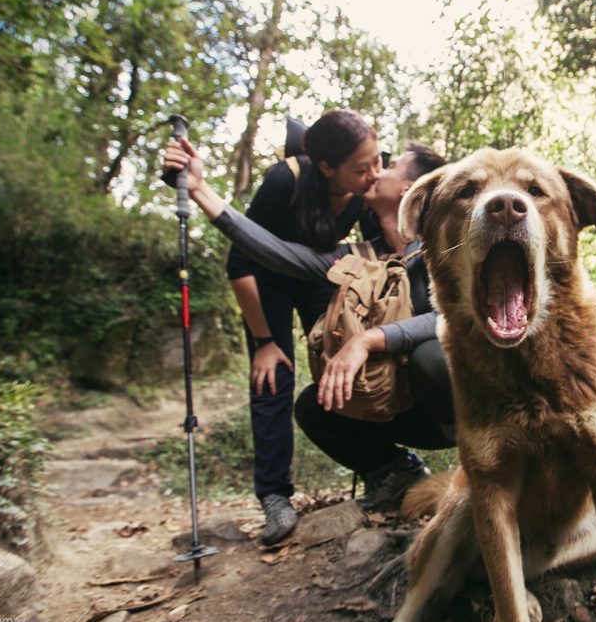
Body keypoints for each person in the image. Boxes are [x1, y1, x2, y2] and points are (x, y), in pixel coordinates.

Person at [162, 137, 455, 520]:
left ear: (407, 189)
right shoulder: (358, 257)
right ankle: (397, 472)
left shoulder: (447, 246)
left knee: (430, 356)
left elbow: (448, 317)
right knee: (317, 405)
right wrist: (199, 189)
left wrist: (369, 339)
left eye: (391, 165)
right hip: (407, 411)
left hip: (463, 407)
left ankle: (497, 460)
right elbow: (277, 253)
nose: (378, 168)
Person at [226, 110, 382, 545]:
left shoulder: (368, 182)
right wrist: (263, 342)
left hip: (319, 277)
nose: (375, 173)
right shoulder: (285, 181)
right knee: (273, 377)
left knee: (353, 361)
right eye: (363, 168)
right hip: (265, 281)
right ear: (327, 167)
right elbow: (238, 261)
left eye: (377, 161)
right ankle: (274, 498)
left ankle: (379, 465)